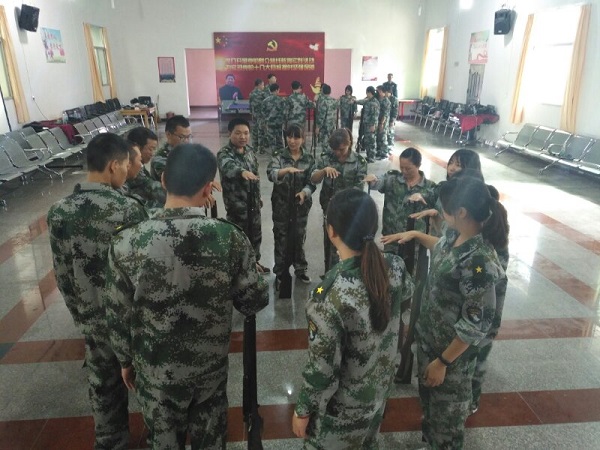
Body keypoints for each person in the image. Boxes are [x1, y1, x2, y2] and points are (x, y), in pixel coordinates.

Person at [105, 144, 269, 450]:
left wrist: (125, 360)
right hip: (209, 372)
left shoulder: (126, 241)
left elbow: (117, 312)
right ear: (208, 188)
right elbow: (254, 301)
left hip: (155, 372)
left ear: (163, 180)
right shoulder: (230, 238)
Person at [47, 133, 148, 450]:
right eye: (126, 165)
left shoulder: (59, 211)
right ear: (114, 165)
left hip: (92, 320)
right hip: (131, 322)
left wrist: (83, 318)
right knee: (146, 383)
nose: (127, 171)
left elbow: (63, 274)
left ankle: (110, 442)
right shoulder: (129, 210)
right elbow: (143, 273)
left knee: (104, 389)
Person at [292, 189, 414, 449]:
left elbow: (322, 368)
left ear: (331, 231)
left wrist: (303, 409)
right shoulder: (395, 266)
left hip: (341, 412)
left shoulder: (328, 293)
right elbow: (405, 297)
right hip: (378, 394)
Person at [395, 176, 507, 449]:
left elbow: (474, 324)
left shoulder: (479, 261)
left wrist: (443, 363)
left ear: (462, 212)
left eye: (444, 208)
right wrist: (417, 236)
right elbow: (441, 247)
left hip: (451, 359)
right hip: (431, 343)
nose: (440, 212)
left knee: (447, 423)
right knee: (431, 410)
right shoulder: (456, 236)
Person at [311, 128, 369, 272]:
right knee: (329, 243)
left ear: (349, 144)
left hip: (349, 211)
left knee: (348, 244)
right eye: (335, 150)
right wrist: (324, 170)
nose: (338, 153)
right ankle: (330, 274)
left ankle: (346, 275)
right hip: (329, 209)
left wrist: (343, 202)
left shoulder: (359, 162)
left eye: (341, 149)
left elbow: (358, 189)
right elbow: (313, 178)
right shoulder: (326, 157)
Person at [217, 118, 270, 273]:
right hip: (237, 206)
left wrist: (258, 196)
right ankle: (240, 269)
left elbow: (256, 174)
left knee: (255, 235)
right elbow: (228, 167)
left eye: (246, 133)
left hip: (253, 203)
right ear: (230, 133)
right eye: (238, 133)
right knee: (239, 238)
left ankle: (254, 263)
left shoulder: (250, 151)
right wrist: (242, 172)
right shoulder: (224, 153)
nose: (243, 137)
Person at [267, 124, 316, 287]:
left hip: (300, 207)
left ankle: (300, 269)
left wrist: (304, 193)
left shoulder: (309, 159)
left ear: (303, 139)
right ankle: (280, 272)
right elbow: (271, 174)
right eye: (289, 136)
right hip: (281, 205)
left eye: (296, 137)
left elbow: (312, 183)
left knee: (299, 237)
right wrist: (285, 170)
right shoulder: (279, 156)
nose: (292, 141)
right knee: (281, 237)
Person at [368, 147, 437, 252]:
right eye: (401, 167)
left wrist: (423, 196)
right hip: (391, 238)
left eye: (408, 168)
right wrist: (373, 180)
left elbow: (437, 209)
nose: (404, 171)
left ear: (418, 165)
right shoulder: (392, 179)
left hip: (414, 242)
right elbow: (379, 181)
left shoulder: (430, 186)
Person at [126, 127, 166, 208]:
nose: (152, 153)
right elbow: (151, 188)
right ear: (137, 147)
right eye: (150, 149)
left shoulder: (139, 165)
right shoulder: (131, 169)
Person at [151, 115, 192, 181]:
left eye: (188, 137)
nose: (186, 141)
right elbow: (176, 181)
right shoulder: (160, 158)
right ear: (168, 134)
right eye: (182, 137)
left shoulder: (187, 151)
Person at [356, 86, 380, 163]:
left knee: (371, 141)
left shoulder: (374, 103)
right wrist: (355, 101)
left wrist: (373, 125)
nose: (366, 94)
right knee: (367, 141)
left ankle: (372, 157)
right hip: (366, 124)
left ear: (370, 92)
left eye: (367, 93)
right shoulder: (368, 100)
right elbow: (362, 101)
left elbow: (375, 115)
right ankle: (369, 156)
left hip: (371, 125)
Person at [261, 83, 286, 155]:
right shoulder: (281, 100)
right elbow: (284, 112)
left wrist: (266, 120)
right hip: (279, 123)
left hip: (269, 123)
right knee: (279, 138)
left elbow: (263, 112)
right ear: (277, 90)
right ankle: (281, 152)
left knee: (271, 139)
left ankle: (274, 153)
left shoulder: (265, 101)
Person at [249, 78, 267, 153]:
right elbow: (266, 104)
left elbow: (250, 105)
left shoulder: (251, 93)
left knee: (254, 132)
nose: (263, 86)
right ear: (259, 85)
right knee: (261, 132)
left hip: (254, 115)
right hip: (261, 116)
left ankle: (254, 148)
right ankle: (261, 149)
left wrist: (251, 113)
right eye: (263, 85)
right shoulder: (262, 94)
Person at [376, 85, 391, 159]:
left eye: (379, 91)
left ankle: (384, 153)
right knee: (378, 137)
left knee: (383, 137)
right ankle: (379, 152)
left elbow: (385, 114)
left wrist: (381, 123)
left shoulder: (386, 101)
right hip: (378, 120)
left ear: (383, 92)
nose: (377, 92)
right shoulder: (378, 99)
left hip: (383, 122)